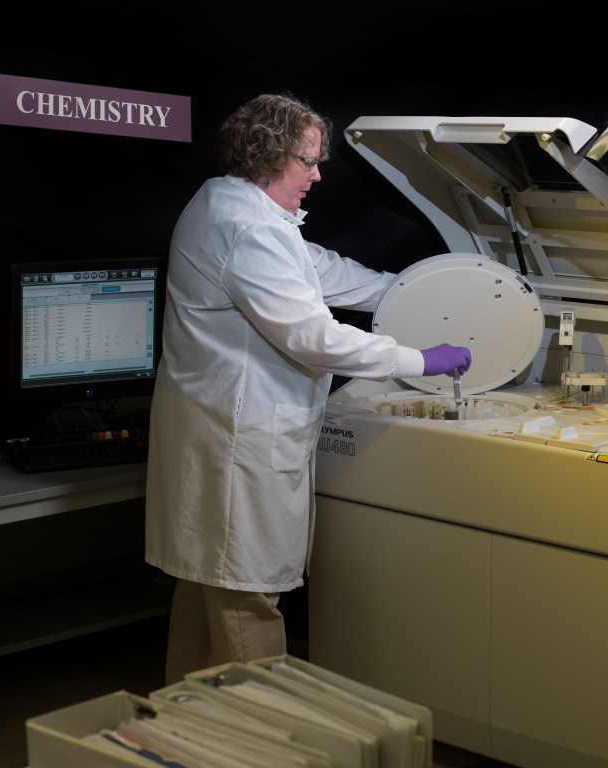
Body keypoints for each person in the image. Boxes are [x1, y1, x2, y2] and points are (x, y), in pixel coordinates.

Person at [144, 92, 471, 685]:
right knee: (246, 596)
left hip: (214, 424)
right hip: (239, 437)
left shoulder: (224, 202)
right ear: (267, 158)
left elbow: (315, 267)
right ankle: (263, 727)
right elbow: (312, 338)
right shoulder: (248, 228)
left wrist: (403, 290)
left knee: (205, 584)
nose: (317, 176)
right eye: (308, 161)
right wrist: (422, 359)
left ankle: (182, 719)